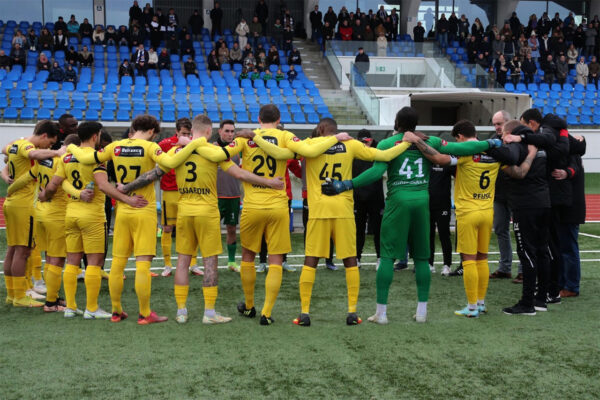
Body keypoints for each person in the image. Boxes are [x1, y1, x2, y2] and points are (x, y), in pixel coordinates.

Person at [322, 107, 500, 324]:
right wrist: (490, 143)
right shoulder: (430, 141)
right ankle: (422, 312)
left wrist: (348, 184)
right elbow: (463, 147)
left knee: (387, 256)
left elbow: (377, 173)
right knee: (423, 258)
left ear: (396, 122)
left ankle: (382, 313)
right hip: (421, 200)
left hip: (398, 200)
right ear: (415, 124)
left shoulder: (388, 144)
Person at [66, 115, 226, 324]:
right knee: (143, 264)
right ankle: (144, 313)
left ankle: (116, 311)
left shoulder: (116, 146)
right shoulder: (150, 147)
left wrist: (70, 148)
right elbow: (169, 162)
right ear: (151, 131)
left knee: (118, 263)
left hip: (122, 209)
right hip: (144, 208)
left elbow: (87, 159)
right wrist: (195, 143)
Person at [228, 105, 353, 325]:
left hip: (251, 206)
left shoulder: (246, 138)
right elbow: (309, 151)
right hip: (278, 205)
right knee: (276, 259)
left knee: (248, 256)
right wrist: (336, 139)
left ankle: (249, 307)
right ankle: (266, 313)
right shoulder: (286, 136)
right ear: (278, 119)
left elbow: (223, 153)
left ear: (259, 119)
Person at [40, 122, 146, 319]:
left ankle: (71, 307)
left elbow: (55, 184)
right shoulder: (95, 159)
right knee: (94, 263)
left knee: (71, 262)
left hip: (70, 214)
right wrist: (128, 200)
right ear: (96, 136)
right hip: (93, 217)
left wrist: (45, 196)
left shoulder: (67, 157)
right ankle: (91, 308)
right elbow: (104, 186)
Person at [6, 134, 83, 311]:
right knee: (55, 259)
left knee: (48, 257)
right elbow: (58, 185)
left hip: (40, 214)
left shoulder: (44, 161)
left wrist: (10, 190)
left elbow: (25, 178)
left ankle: (51, 297)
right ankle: (51, 303)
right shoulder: (64, 161)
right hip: (57, 215)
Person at [2, 120, 63, 307]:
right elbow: (33, 153)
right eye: (50, 143)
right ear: (44, 135)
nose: (50, 147)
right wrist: (57, 152)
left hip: (13, 202)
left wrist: (8, 182)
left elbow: (5, 156)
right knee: (23, 250)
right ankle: (20, 296)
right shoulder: (28, 147)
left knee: (13, 249)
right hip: (24, 204)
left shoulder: (14, 145)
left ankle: (13, 294)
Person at [499, 120, 552, 315]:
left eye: (504, 133)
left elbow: (519, 173)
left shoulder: (516, 146)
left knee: (527, 252)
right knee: (542, 251)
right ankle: (541, 300)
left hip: (525, 206)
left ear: (511, 133)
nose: (502, 138)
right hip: (544, 202)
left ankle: (527, 303)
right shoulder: (540, 146)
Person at [158, 118, 193, 278]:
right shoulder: (165, 144)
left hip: (186, 192)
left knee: (188, 229)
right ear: (177, 132)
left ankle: (193, 264)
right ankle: (167, 265)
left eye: (188, 133)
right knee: (167, 228)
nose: (186, 136)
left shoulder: (194, 144)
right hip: (169, 192)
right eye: (183, 133)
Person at [488, 111, 520, 280]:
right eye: (494, 124)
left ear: (509, 123)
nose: (497, 127)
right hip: (499, 193)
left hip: (516, 193)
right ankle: (505, 268)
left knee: (520, 231)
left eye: (499, 124)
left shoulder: (519, 140)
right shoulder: (494, 140)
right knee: (500, 230)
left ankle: (523, 271)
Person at [556, 135, 586, 298]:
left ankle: (571, 286)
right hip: (568, 208)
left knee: (568, 248)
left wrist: (565, 173)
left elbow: (572, 173)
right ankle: (563, 283)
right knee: (564, 248)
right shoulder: (573, 155)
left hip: (570, 209)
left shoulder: (572, 156)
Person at [353, 129, 385, 269]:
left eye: (367, 141)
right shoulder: (353, 152)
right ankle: (357, 257)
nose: (364, 144)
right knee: (358, 229)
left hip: (375, 197)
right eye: (362, 141)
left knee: (378, 230)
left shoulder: (378, 151)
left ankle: (380, 258)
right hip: (358, 197)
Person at [214, 120, 242, 272]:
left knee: (232, 230)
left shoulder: (238, 149)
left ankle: (231, 262)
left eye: (232, 131)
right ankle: (208, 261)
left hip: (233, 197)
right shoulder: (212, 148)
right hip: (215, 198)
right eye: (227, 131)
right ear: (219, 131)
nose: (230, 134)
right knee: (211, 231)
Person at [428, 155, 455, 276]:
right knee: (428, 235)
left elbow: (459, 175)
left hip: (443, 205)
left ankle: (447, 265)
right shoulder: (426, 161)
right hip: (427, 204)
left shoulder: (447, 162)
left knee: (444, 235)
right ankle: (429, 264)